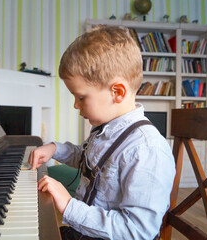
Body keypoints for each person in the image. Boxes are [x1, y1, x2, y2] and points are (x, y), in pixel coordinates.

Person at [28, 25, 175, 240]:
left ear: (117, 92)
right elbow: (89, 158)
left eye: (81, 97)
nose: (76, 106)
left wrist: (69, 205)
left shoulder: (147, 150)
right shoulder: (106, 129)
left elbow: (138, 231)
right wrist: (55, 149)